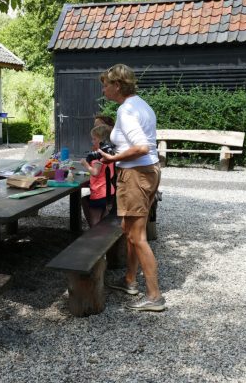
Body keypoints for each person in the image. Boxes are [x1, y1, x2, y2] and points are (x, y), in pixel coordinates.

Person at [98, 64, 165, 312]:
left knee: (137, 236)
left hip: (136, 174)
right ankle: (129, 280)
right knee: (129, 229)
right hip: (147, 171)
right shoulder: (140, 104)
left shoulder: (126, 111)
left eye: (106, 84)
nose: (103, 89)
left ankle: (155, 296)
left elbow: (141, 147)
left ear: (117, 85)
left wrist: (112, 159)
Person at [80, 124, 115, 227]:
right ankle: (105, 239)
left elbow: (95, 172)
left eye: (94, 139)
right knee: (104, 221)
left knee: (94, 221)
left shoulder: (98, 156)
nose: (92, 141)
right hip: (110, 192)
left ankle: (96, 240)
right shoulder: (110, 154)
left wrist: (85, 164)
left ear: (101, 141)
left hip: (99, 193)